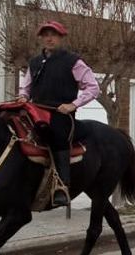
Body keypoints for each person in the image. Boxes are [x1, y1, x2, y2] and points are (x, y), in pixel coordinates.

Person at [17, 20, 100, 207]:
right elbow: (26, 86)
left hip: (60, 115)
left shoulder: (73, 61)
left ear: (61, 37)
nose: (49, 38)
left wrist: (72, 104)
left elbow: (93, 88)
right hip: (35, 111)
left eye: (53, 34)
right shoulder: (35, 62)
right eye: (45, 35)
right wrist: (23, 96)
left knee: (57, 135)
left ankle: (62, 186)